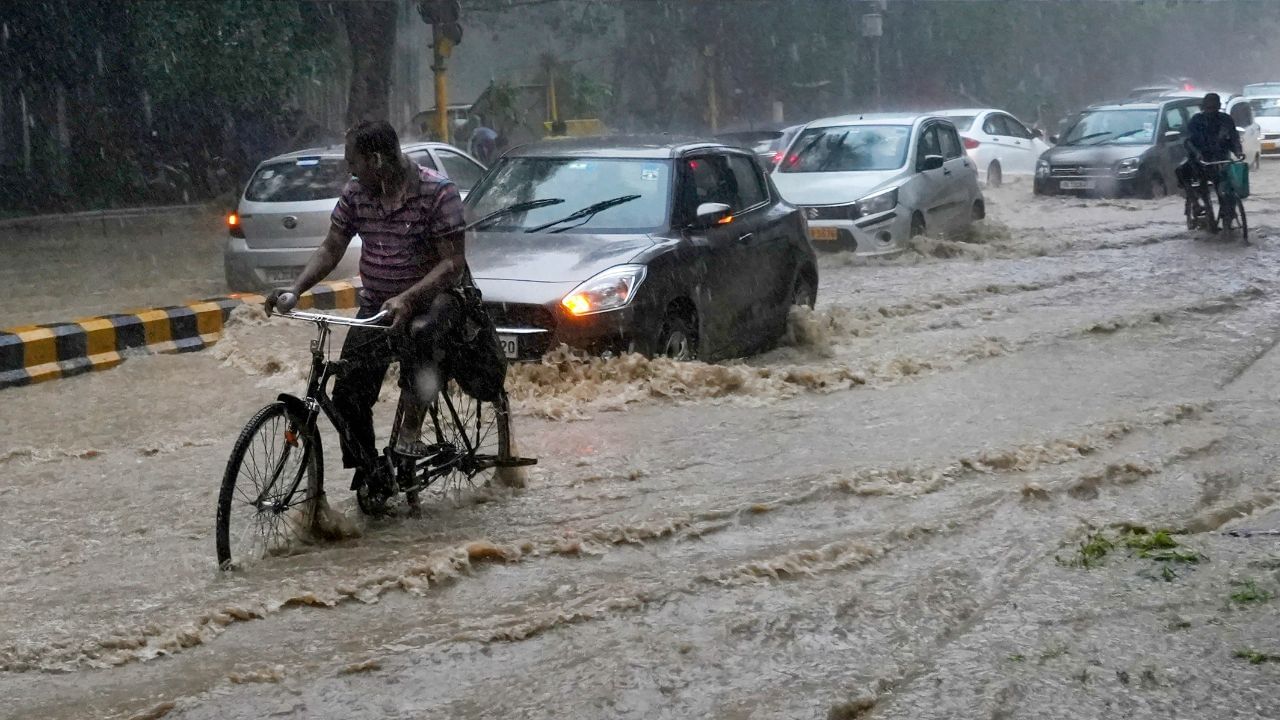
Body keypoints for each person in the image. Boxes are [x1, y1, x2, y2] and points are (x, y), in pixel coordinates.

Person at [267, 119, 467, 486]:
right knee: (347, 393)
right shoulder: (357, 192)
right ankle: (371, 472)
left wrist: (408, 298)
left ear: (375, 159)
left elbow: (451, 264)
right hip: (378, 306)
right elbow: (331, 247)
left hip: (433, 302)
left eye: (352, 161)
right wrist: (295, 289)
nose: (349, 169)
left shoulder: (438, 192)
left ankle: (411, 432)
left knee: (422, 337)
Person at [1178, 93, 1243, 230]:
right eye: (1208, 108)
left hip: (1221, 159)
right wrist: (1197, 154)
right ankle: (1196, 204)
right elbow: (1188, 141)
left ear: (1219, 107)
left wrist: (1238, 152)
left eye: (1214, 107)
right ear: (1203, 108)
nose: (1211, 111)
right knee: (1182, 172)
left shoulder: (1226, 120)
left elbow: (1234, 139)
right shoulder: (1196, 121)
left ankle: (1229, 213)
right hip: (1199, 160)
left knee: (1228, 188)